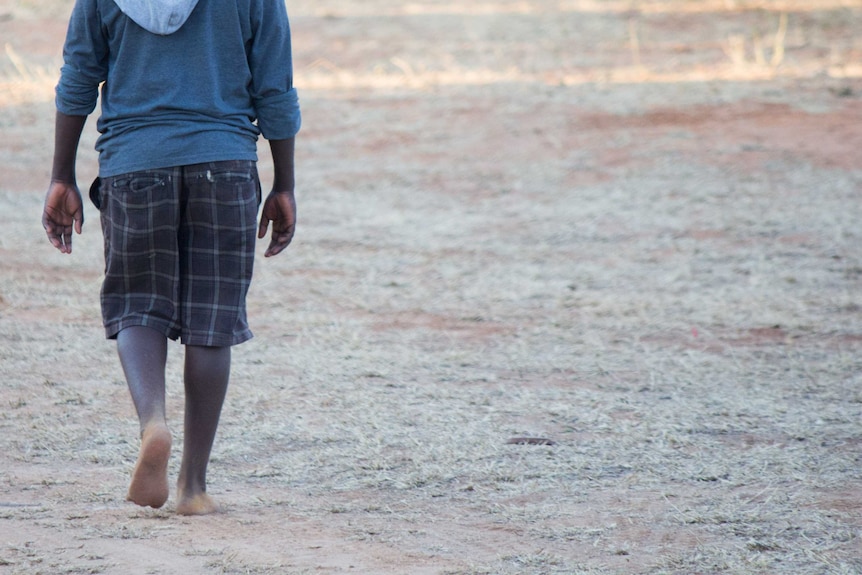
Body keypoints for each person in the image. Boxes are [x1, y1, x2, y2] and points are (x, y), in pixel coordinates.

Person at [41, 0, 301, 515]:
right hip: (225, 164)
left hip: (134, 163)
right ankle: (192, 487)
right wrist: (284, 183)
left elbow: (78, 78)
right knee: (212, 318)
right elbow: (275, 87)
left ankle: (153, 422)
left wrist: (61, 174)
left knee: (137, 301)